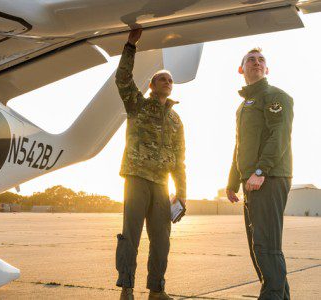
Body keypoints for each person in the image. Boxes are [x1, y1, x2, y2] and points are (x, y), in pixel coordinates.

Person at [116, 28, 186, 300]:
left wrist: (181, 193)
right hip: (136, 178)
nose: (167, 81)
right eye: (161, 78)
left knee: (162, 241)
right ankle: (127, 289)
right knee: (130, 237)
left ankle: (157, 290)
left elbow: (180, 160)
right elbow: (122, 78)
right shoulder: (137, 105)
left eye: (170, 79)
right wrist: (130, 46)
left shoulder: (176, 120)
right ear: (151, 85)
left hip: (161, 185)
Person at [226, 48, 293, 300]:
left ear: (267, 69)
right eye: (250, 60)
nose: (256, 62)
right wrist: (233, 181)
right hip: (252, 181)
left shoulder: (275, 96)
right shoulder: (244, 106)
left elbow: (279, 136)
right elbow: (239, 145)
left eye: (261, 60)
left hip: (270, 177)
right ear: (241, 69)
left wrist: (260, 170)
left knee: (267, 248)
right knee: (260, 249)